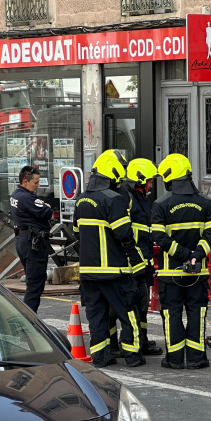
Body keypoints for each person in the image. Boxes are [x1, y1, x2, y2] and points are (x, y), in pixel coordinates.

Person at [74, 154, 145, 368]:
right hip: (115, 271)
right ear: (112, 173)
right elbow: (124, 234)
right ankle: (133, 357)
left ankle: (100, 358)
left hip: (88, 272)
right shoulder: (113, 199)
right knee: (129, 312)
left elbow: (77, 233)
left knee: (96, 316)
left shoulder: (81, 199)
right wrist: (139, 265)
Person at [151, 154, 211, 369]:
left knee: (172, 315)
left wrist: (182, 255)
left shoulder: (161, 204)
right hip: (198, 273)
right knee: (197, 313)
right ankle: (197, 359)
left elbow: (160, 238)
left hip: (171, 274)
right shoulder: (205, 203)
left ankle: (175, 360)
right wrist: (196, 255)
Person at [117, 158, 163, 356]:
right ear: (140, 180)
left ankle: (142, 340)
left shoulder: (141, 198)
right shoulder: (126, 197)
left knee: (142, 303)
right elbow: (125, 231)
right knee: (132, 303)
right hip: (131, 260)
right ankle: (130, 342)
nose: (151, 185)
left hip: (143, 258)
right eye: (150, 181)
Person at [10, 165, 53, 313]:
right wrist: (46, 206)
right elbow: (49, 213)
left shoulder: (15, 194)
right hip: (33, 244)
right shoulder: (27, 197)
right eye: (35, 182)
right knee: (35, 284)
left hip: (23, 240)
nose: (38, 185)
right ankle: (29, 319)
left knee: (32, 281)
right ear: (25, 181)